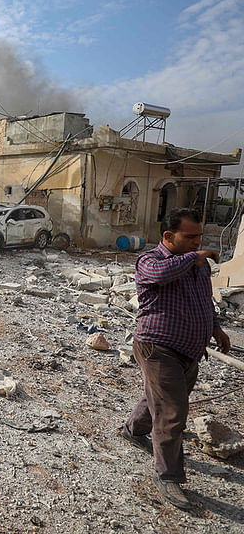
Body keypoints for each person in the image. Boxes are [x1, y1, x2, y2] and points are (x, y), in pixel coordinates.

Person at [121, 208, 230, 510]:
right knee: (172, 411)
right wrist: (195, 257)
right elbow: (159, 275)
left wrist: (216, 328)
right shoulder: (150, 261)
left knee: (159, 397)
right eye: (190, 236)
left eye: (199, 236)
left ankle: (133, 430)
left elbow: (203, 299)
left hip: (189, 350)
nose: (197, 242)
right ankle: (168, 476)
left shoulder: (199, 267)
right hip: (158, 347)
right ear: (168, 236)